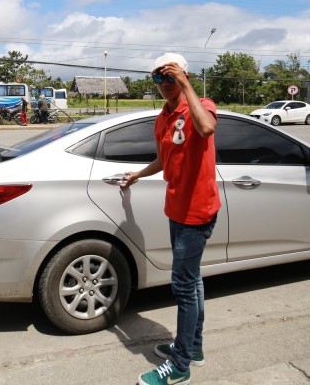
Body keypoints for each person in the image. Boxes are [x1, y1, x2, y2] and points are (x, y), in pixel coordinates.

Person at [121, 53, 220, 385]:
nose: (164, 84)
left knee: (183, 285)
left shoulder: (201, 104)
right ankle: (194, 348)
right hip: (176, 208)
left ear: (183, 77)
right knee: (193, 282)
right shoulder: (162, 117)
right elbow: (163, 161)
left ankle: (180, 366)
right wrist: (137, 174)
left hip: (198, 210)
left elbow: (206, 129)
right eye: (158, 78)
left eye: (170, 77)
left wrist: (186, 83)